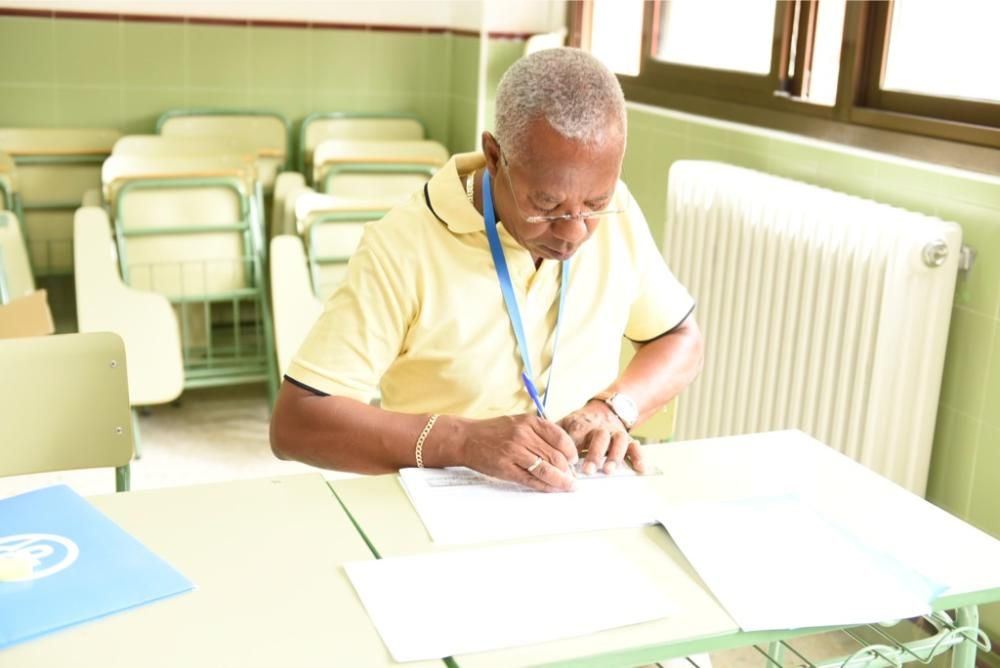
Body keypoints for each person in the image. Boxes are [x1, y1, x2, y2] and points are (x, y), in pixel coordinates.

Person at [270, 47, 703, 492]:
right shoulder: (403, 245)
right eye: (546, 205)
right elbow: (295, 423)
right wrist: (462, 441)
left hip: (577, 497)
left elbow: (679, 338)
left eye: (595, 204)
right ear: (495, 157)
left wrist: (614, 410)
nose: (574, 233)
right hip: (444, 510)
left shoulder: (621, 211)